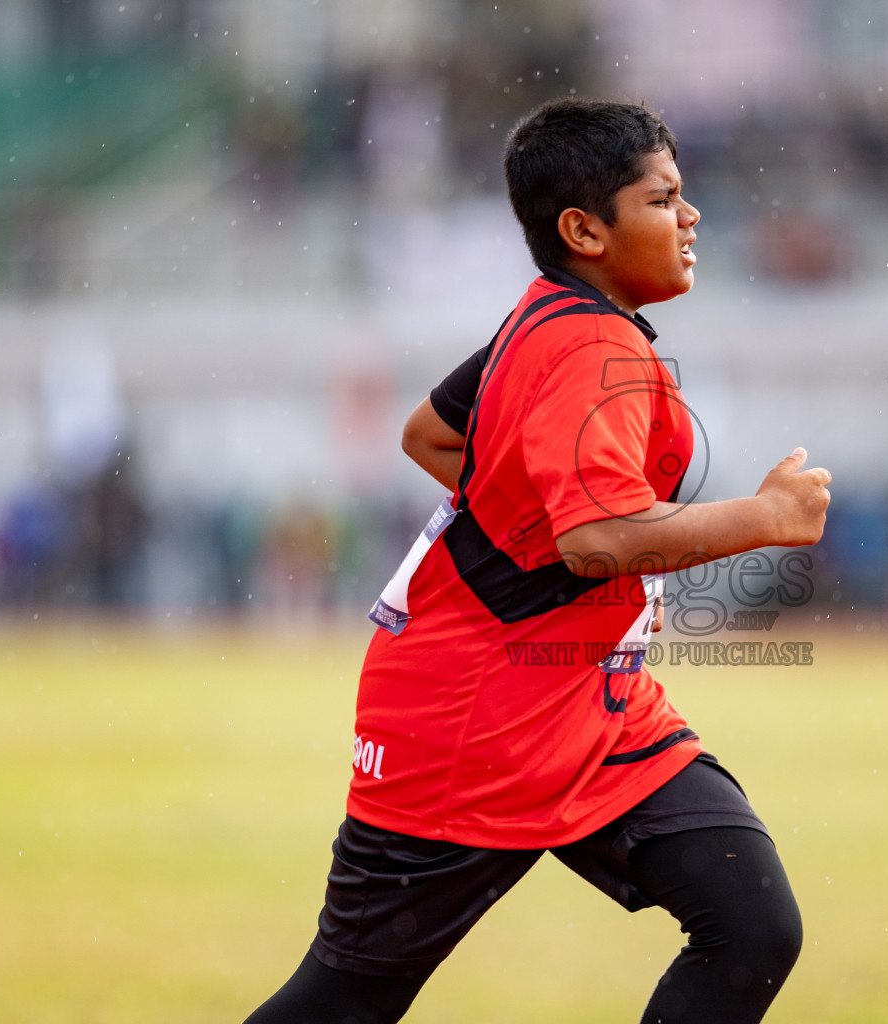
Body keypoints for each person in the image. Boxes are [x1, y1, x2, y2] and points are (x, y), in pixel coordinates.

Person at [244, 98, 832, 1024]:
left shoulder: (550, 317)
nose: (692, 217)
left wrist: (581, 564)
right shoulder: (592, 348)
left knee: (752, 923)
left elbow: (434, 437)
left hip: (587, 706)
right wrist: (763, 518)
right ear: (583, 230)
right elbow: (593, 539)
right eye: (664, 199)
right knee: (344, 1000)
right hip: (469, 724)